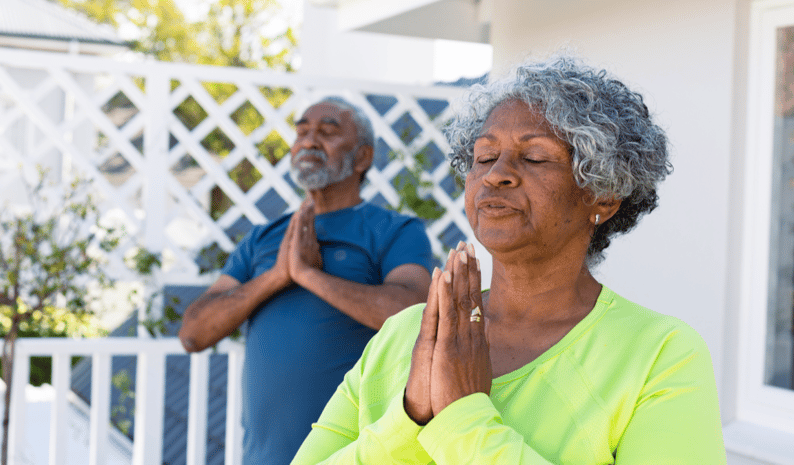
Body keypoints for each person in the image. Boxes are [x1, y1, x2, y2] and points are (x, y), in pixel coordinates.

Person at [291, 56, 727, 464]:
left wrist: (464, 419)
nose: (496, 174)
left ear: (603, 195)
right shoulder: (403, 334)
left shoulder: (660, 355)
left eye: (534, 157)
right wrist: (410, 416)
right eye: (484, 157)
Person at [178, 96, 433, 465]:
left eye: (327, 132)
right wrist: (276, 276)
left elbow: (413, 313)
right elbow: (193, 334)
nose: (309, 141)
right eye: (301, 132)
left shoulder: (395, 230)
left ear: (363, 157)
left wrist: (310, 276)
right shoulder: (263, 238)